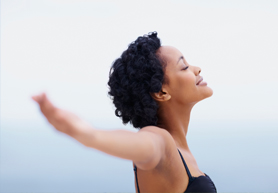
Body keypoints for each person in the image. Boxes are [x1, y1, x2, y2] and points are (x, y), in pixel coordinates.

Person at [32, 32, 217, 192]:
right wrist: (86, 134)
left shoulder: (180, 150)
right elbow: (142, 145)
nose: (197, 69)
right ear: (161, 92)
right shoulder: (160, 139)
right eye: (184, 67)